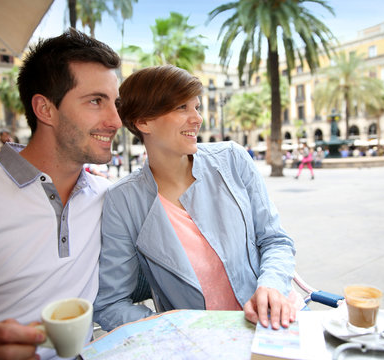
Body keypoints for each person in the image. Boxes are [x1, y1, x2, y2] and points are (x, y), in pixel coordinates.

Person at [0, 29, 122, 359]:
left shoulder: (107, 198)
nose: (116, 120)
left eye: (116, 103)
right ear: (45, 109)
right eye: (96, 101)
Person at [94, 65, 297, 333]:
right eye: (181, 108)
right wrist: (174, 329)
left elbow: (275, 240)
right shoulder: (123, 201)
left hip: (271, 325)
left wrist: (271, 285)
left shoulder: (232, 160)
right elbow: (110, 303)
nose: (197, 118)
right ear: (143, 122)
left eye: (196, 107)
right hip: (194, 345)